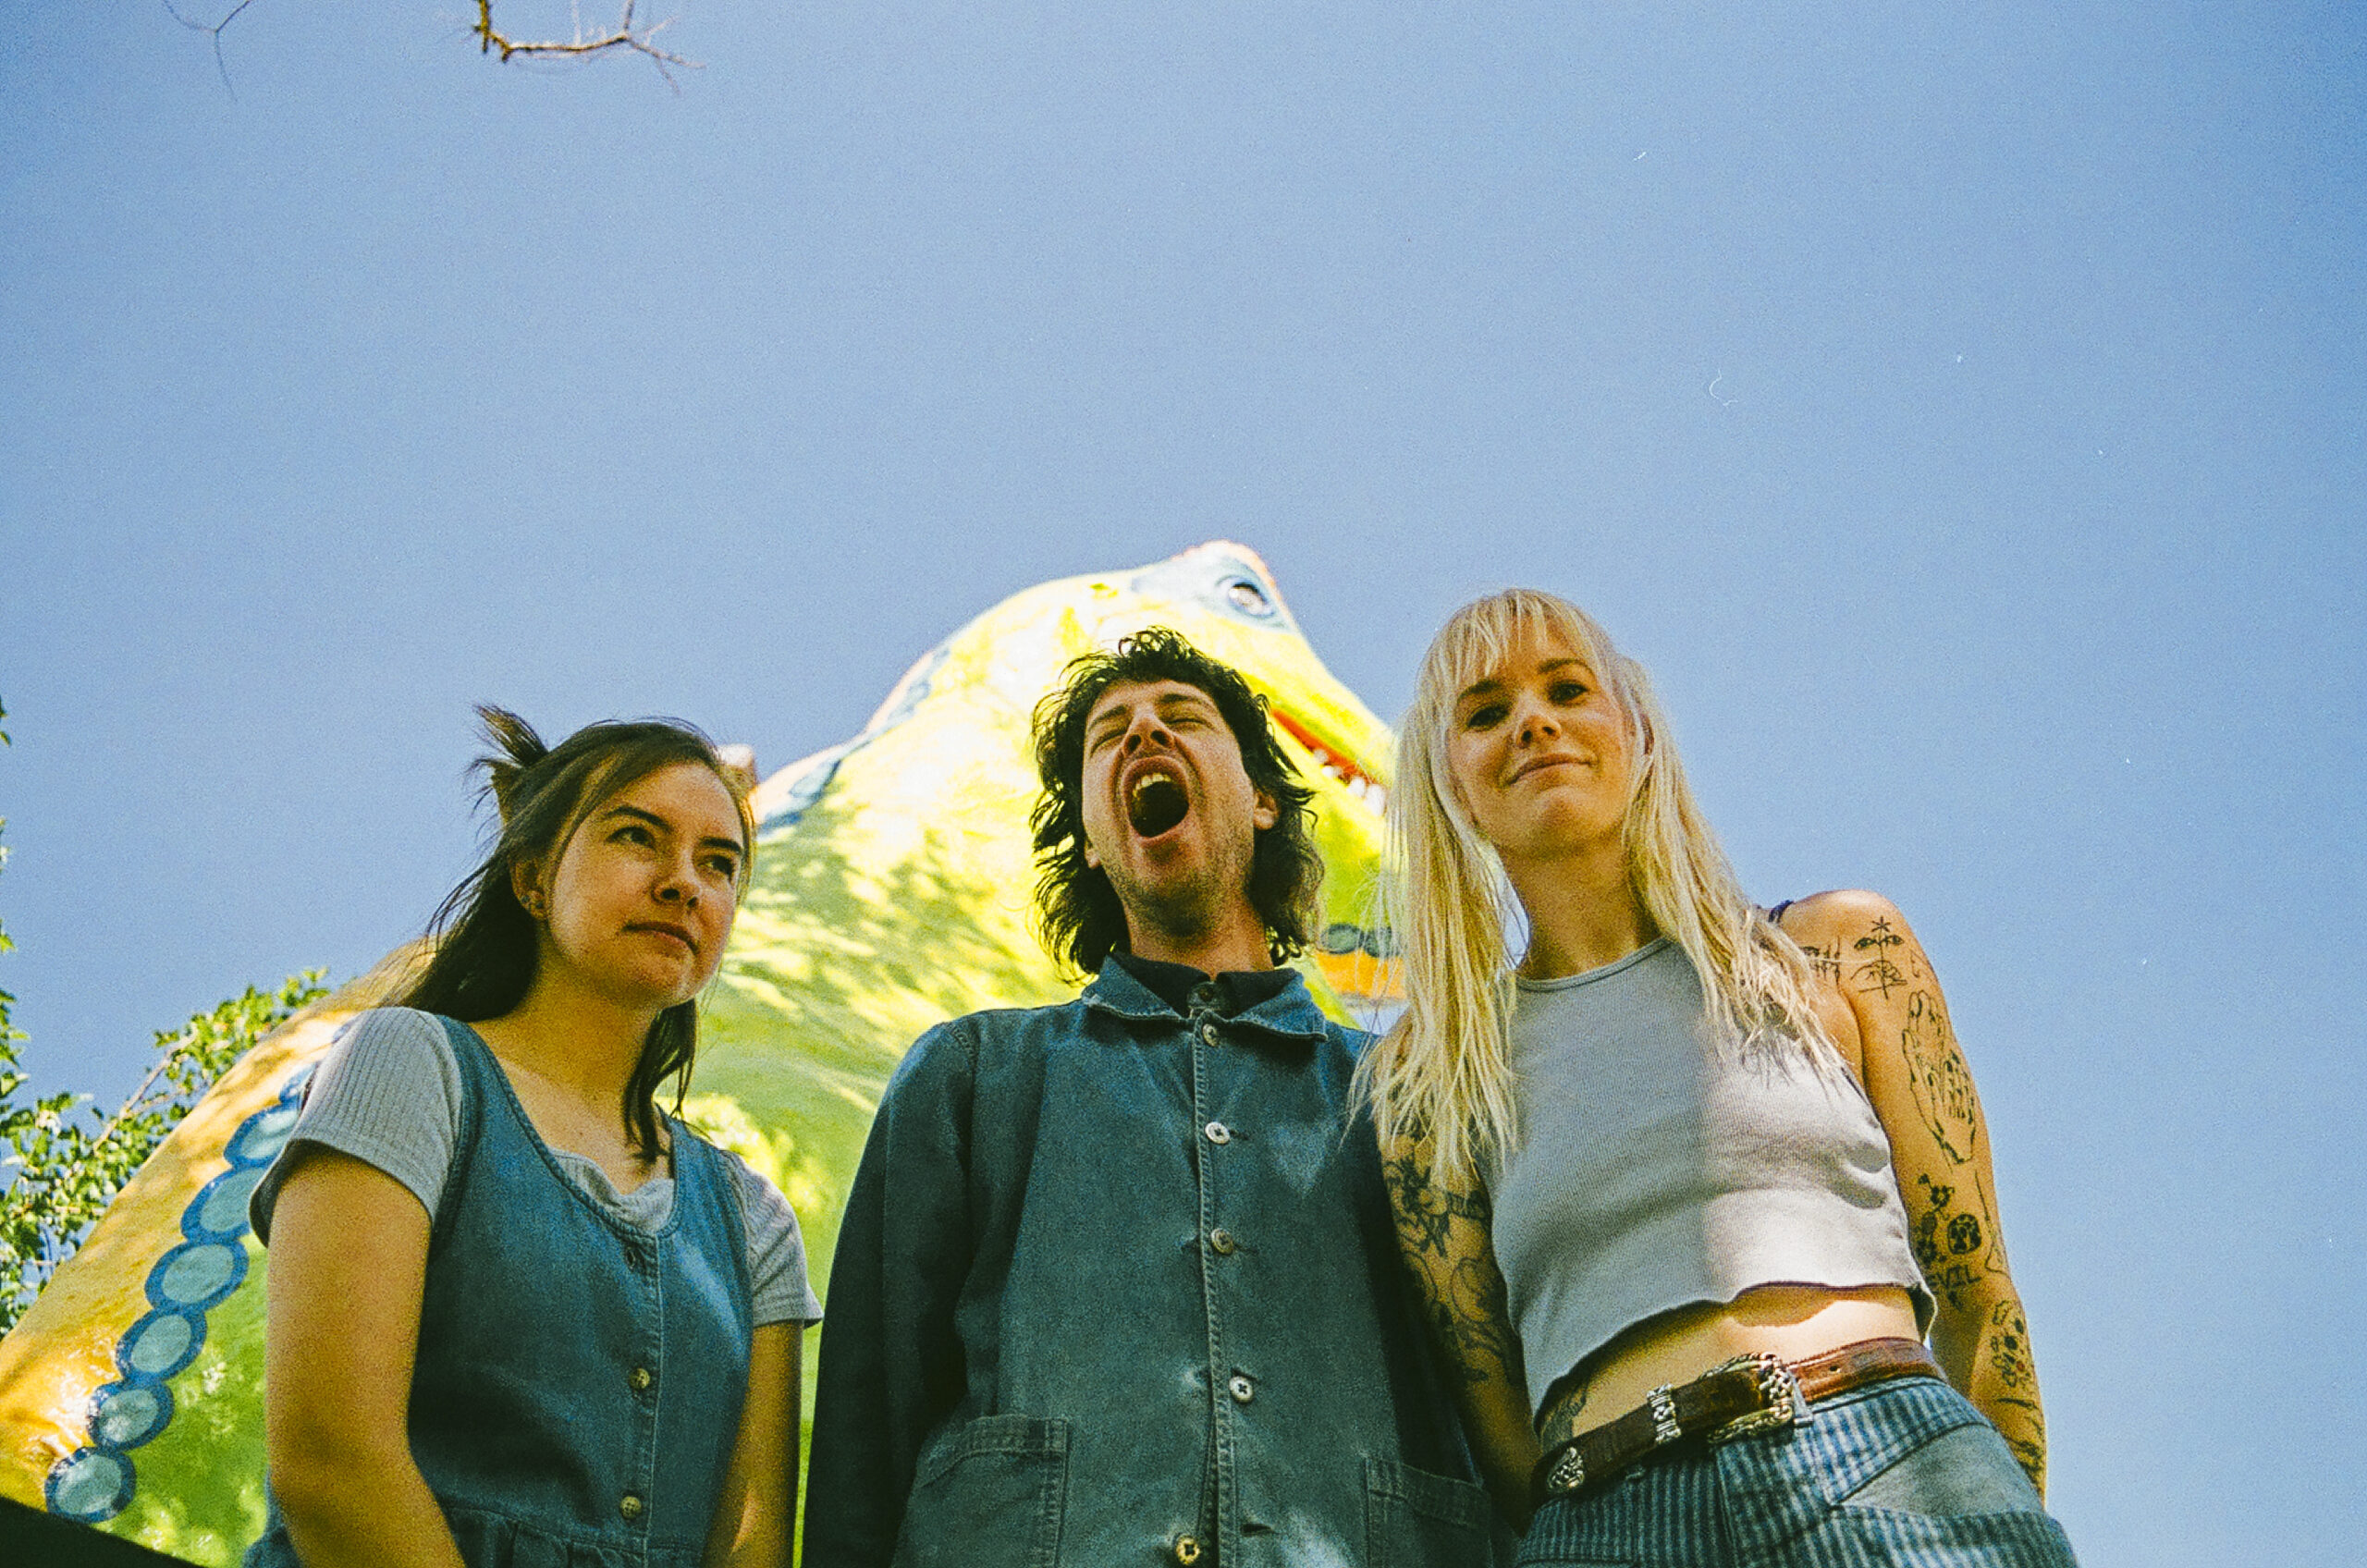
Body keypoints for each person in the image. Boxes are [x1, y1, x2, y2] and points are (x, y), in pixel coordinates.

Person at [1362, 590, 2077, 1565]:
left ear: (1639, 730)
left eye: (1567, 689)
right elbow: (1496, 1427)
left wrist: (1995, 1511)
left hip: (1891, 1458)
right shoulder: (1427, 1076)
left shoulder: (1839, 951)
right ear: (1450, 782)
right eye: (1485, 712)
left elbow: (1980, 1297)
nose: (1532, 720)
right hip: (1602, 1519)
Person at [803, 628, 1503, 1568]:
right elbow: (862, 1451)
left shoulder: (1404, 1101)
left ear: (1262, 800)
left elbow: (1502, 1416)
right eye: (1110, 735)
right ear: (1093, 844)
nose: (1144, 734)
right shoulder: (969, 1078)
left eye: (1182, 717)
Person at [246, 709, 821, 1568]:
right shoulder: (412, 1066)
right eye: (637, 837)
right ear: (533, 879)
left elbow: (751, 1548)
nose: (684, 884)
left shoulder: (755, 1223)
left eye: (719, 863)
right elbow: (333, 1463)